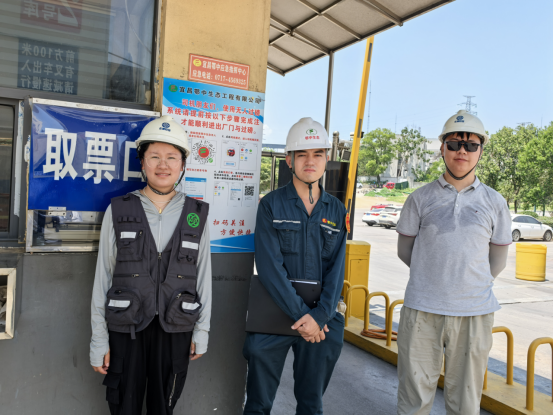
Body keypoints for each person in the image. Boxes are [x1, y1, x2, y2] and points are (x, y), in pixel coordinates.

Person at [90, 115, 212, 414]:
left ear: (182, 165)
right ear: (142, 163)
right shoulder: (118, 210)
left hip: (176, 327)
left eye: (172, 157)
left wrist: (202, 331)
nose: (163, 165)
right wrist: (99, 340)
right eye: (154, 156)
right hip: (126, 328)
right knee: (124, 406)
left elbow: (203, 277)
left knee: (164, 406)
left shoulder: (196, 214)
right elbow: (103, 277)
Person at [395, 110, 512, 414]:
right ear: (442, 148)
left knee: (465, 403)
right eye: (455, 144)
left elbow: (497, 261)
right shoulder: (419, 198)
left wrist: (467, 284)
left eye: (471, 145)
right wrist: (433, 276)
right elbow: (405, 251)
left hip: (474, 313)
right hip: (422, 309)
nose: (462, 151)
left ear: (481, 151)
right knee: (413, 399)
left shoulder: (495, 202)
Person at [243, 117, 348, 415]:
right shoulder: (271, 205)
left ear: (326, 159)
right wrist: (303, 316)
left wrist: (320, 315)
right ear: (289, 160)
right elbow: (269, 267)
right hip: (275, 310)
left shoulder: (337, 210)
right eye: (302, 154)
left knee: (312, 405)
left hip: (321, 317)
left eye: (317, 154)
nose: (310, 161)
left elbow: (337, 269)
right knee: (258, 404)